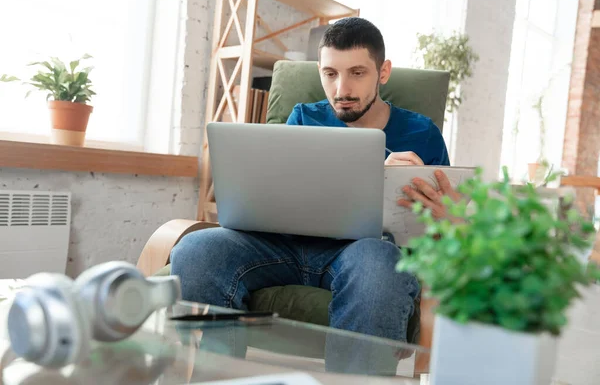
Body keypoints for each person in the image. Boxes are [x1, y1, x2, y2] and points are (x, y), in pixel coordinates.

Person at [170, 17, 460, 351]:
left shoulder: (421, 134)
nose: (342, 90)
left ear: (383, 73)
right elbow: (279, 192)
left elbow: (444, 229)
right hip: (285, 246)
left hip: (366, 251)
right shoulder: (303, 117)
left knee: (378, 266)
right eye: (330, 74)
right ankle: (219, 372)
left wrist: (444, 216)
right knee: (196, 250)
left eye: (357, 73)